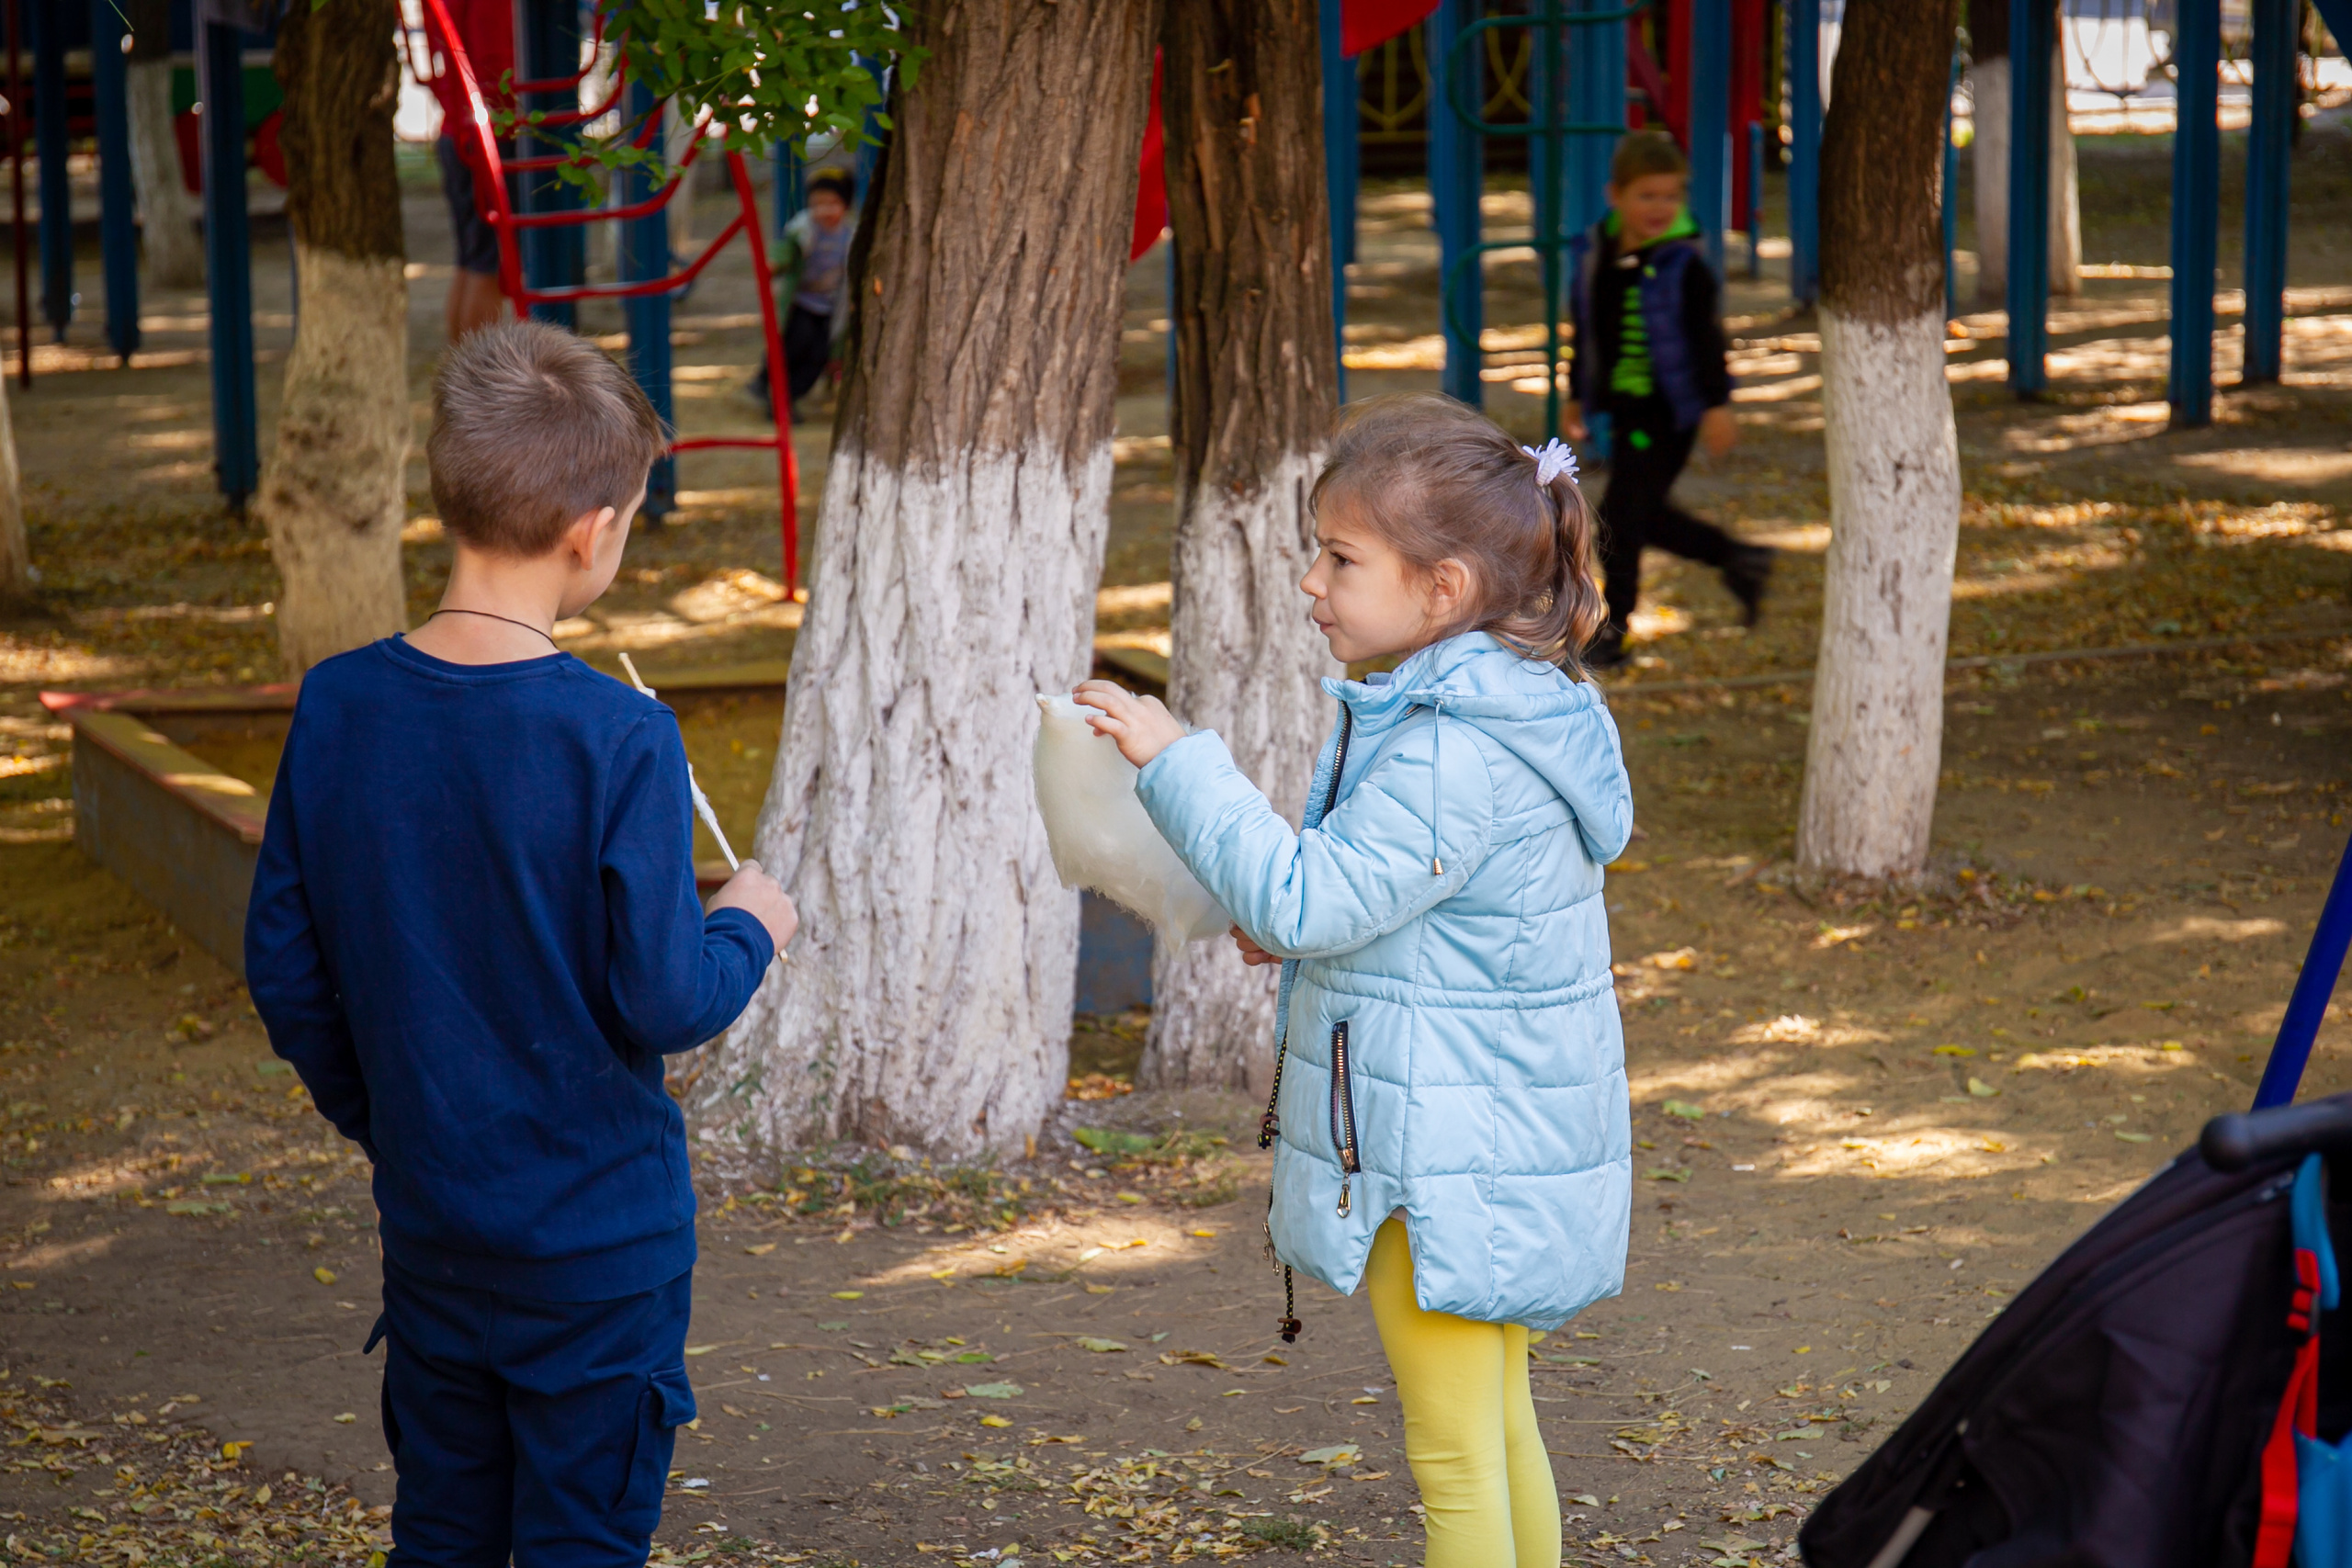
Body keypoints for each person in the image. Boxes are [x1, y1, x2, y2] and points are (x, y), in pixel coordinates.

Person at [244, 320, 798, 1565]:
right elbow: (665, 996)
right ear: (592, 533)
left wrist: (399, 1119)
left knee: (442, 1530)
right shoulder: (621, 737)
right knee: (580, 1542)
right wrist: (749, 926)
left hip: (434, 1232)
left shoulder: (337, 703)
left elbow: (285, 965)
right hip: (600, 1251)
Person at [1076, 393, 1634, 1568]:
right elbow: (1416, 911)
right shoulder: (1516, 708)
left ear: (1442, 588)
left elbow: (1303, 899)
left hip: (1437, 1158)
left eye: (1340, 557)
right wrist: (1313, 931)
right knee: (1495, 1431)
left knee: (1456, 1460)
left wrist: (1178, 763)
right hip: (1484, 1141)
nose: (1311, 581)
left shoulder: (1448, 746)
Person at [1564, 129, 1773, 669]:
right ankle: (1740, 558)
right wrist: (1576, 395)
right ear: (1616, 195)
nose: (1660, 207)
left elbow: (1707, 341)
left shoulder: (1684, 265)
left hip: (1669, 414)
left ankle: (1614, 630)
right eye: (1647, 195)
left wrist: (1715, 405)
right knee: (1642, 515)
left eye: (1671, 195)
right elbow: (1588, 332)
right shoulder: (1597, 254)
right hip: (1625, 411)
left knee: (1619, 521)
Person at [427, 0, 514, 341]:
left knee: (472, 259)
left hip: (459, 129)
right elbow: (494, 59)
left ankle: (461, 363)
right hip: (488, 135)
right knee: (488, 265)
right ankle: (480, 368)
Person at [746, 170, 858, 418]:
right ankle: (770, 387)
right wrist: (775, 266)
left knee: (818, 356)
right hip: (801, 302)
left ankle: (788, 397)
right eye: (817, 204)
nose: (824, 211)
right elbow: (784, 251)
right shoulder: (803, 231)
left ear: (845, 206)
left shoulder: (849, 237)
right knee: (794, 345)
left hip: (829, 306)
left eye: (832, 204)